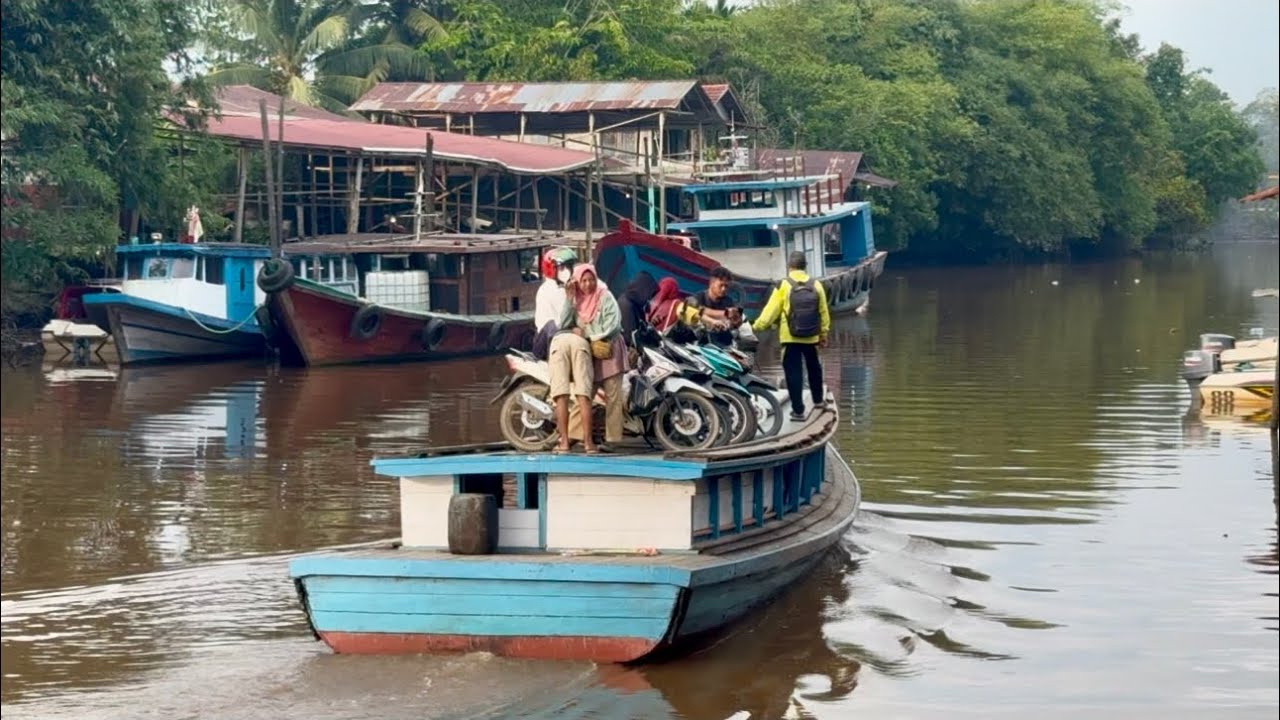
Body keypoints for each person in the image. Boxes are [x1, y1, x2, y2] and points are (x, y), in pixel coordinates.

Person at [552, 263, 624, 453]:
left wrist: (589, 335)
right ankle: (573, 436)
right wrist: (569, 298)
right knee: (584, 395)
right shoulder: (575, 299)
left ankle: (612, 440)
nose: (588, 284)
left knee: (613, 398)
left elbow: (613, 325)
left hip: (609, 352)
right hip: (589, 355)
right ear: (577, 281)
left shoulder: (605, 296)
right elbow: (564, 324)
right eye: (583, 281)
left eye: (591, 279)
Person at [752, 251, 831, 421]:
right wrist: (823, 333)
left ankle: (798, 411)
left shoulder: (784, 285)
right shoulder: (816, 284)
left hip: (790, 338)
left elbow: (771, 311)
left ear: (789, 267)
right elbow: (823, 311)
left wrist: (757, 326)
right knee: (814, 368)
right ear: (805, 266)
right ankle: (818, 400)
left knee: (793, 373)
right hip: (811, 336)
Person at [533, 247, 577, 359]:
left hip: (563, 335)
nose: (568, 270)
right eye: (562, 268)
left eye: (569, 266)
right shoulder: (548, 290)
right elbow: (560, 323)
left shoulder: (568, 286)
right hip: (548, 341)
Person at [680, 266, 740, 347]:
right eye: (721, 285)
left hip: (720, 343)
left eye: (726, 286)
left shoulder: (728, 302)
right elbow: (694, 310)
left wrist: (732, 322)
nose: (723, 289)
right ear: (711, 283)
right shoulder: (699, 297)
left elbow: (734, 320)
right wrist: (723, 314)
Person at [617, 271, 658, 347]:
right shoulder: (626, 305)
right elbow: (628, 338)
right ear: (643, 290)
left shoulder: (634, 303)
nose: (649, 298)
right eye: (650, 294)